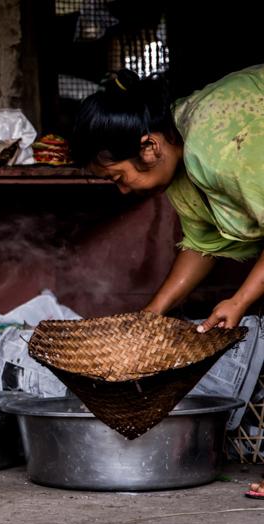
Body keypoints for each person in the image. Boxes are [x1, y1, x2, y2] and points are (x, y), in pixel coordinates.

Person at [71, 64, 264, 498]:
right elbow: (204, 244)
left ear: (149, 147)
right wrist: (151, 314)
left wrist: (239, 300)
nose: (123, 191)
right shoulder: (181, 174)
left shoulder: (215, 144)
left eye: (120, 178)